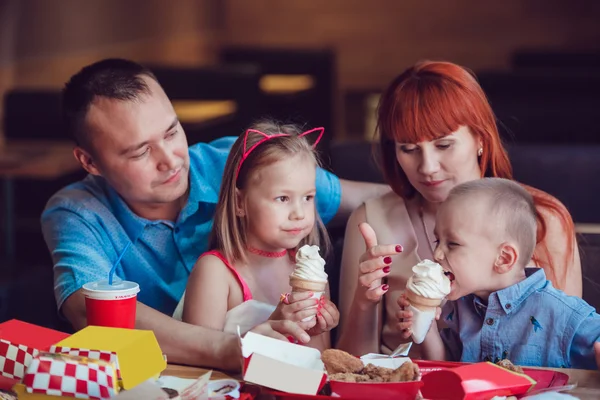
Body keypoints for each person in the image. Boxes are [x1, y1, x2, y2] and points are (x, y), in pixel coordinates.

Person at [41, 58, 388, 370]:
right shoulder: (77, 212)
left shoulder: (235, 163)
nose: (171, 159)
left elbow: (374, 198)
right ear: (89, 162)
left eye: (172, 131)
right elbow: (88, 309)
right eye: (140, 152)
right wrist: (236, 348)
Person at [337, 60, 582, 358]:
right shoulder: (371, 221)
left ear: (480, 138)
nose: (427, 167)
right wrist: (365, 302)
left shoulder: (543, 220)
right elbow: (350, 366)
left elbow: (567, 350)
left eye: (444, 145)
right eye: (409, 149)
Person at [400, 178, 600, 370]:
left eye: (452, 244)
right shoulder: (460, 308)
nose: (437, 254)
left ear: (503, 258)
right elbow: (445, 366)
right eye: (437, 241)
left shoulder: (560, 312)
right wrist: (426, 328)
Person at [174, 121, 339, 351]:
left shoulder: (313, 274)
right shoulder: (215, 273)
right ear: (240, 202)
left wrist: (314, 332)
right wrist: (272, 327)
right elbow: (201, 361)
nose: (299, 214)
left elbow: (318, 362)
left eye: (308, 197)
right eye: (282, 198)